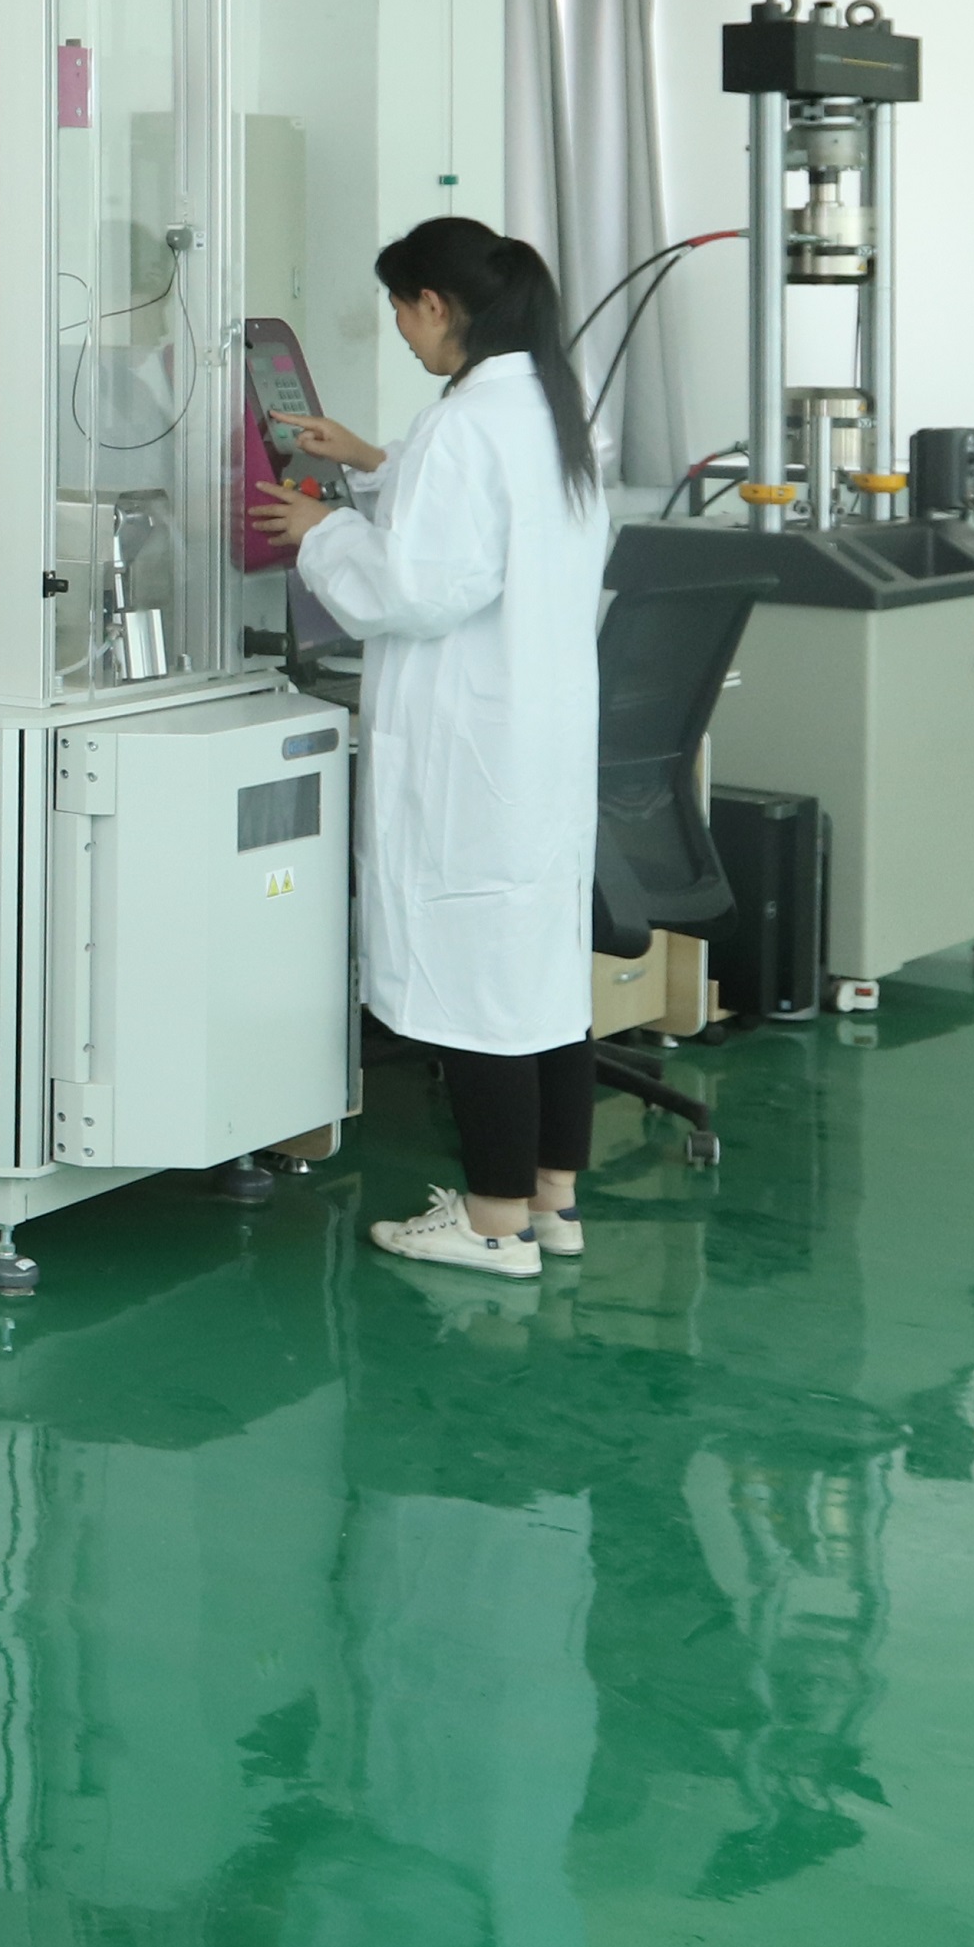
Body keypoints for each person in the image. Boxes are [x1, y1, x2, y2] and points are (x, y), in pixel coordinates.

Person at [260, 218, 615, 1280]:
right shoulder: (549, 408)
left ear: (435, 305)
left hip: (472, 746)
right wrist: (369, 461)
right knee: (542, 982)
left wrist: (320, 532)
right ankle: (552, 1199)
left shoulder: (467, 423)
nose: (403, 333)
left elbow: (414, 589)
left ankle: (492, 1222)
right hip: (538, 741)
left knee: (476, 989)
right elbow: (476, 518)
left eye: (400, 311)